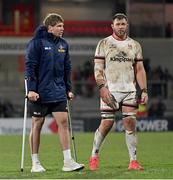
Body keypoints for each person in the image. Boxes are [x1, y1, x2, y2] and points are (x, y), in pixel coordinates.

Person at [25, 13, 84, 173]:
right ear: (50, 27)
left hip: (58, 91)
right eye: (59, 26)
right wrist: (31, 89)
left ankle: (68, 161)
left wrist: (69, 89)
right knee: (37, 124)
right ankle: (35, 163)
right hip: (39, 92)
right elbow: (30, 66)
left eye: (63, 26)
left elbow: (67, 68)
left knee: (63, 122)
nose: (62, 28)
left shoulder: (64, 44)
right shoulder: (36, 43)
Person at [89, 13, 148, 171]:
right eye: (118, 24)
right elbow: (98, 68)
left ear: (127, 25)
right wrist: (102, 87)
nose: (120, 26)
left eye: (123, 24)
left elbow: (140, 69)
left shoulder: (135, 45)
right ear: (112, 26)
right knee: (107, 123)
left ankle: (133, 161)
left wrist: (143, 90)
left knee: (130, 123)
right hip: (111, 89)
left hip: (129, 89)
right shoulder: (104, 43)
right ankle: (94, 156)